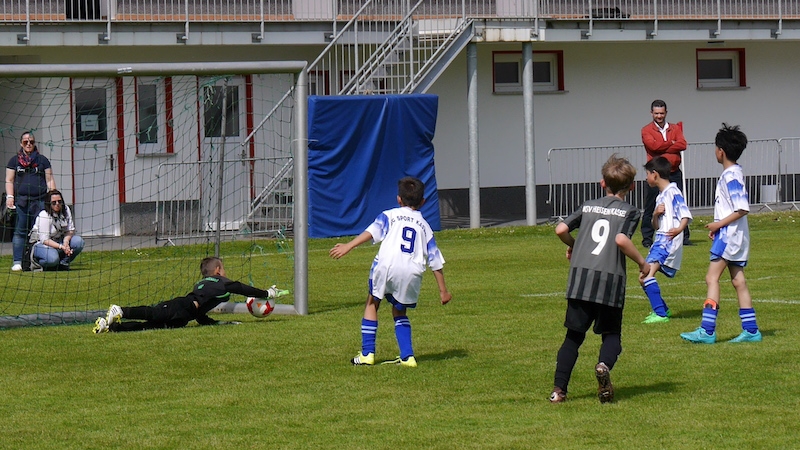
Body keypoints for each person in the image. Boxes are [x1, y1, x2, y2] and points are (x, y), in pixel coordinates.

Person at [550, 155, 650, 404]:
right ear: (632, 186)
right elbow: (621, 240)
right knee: (611, 334)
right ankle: (603, 365)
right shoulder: (630, 212)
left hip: (581, 279)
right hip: (609, 281)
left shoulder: (588, 206)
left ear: (602, 183)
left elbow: (561, 229)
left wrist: (575, 245)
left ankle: (558, 392)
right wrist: (642, 263)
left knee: (573, 338)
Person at [329, 176, 452, 368]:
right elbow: (435, 260)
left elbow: (372, 232)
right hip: (412, 270)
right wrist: (443, 291)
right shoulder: (425, 227)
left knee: (372, 302)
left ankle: (367, 354)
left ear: (398, 199)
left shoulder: (390, 215)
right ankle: (407, 357)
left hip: (387, 265)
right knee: (399, 310)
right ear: (423, 202)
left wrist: (348, 246)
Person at [681, 124, 761, 344]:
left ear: (721, 151)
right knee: (738, 280)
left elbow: (742, 208)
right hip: (735, 236)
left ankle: (707, 330)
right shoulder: (734, 173)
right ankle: (751, 330)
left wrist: (718, 225)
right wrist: (719, 226)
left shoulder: (730, 176)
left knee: (711, 277)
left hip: (729, 237)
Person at [92, 256, 288, 333]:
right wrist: (266, 293)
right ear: (218, 271)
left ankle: (112, 327)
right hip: (182, 306)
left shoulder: (203, 284)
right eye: (223, 269)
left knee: (152, 327)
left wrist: (222, 323)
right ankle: (121, 310)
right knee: (153, 314)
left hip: (185, 315)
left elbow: (201, 315)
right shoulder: (220, 282)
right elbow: (240, 288)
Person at [638, 157, 693, 323]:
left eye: (647, 174)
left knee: (647, 275)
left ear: (654, 174)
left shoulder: (673, 192)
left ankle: (660, 314)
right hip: (660, 239)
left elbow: (684, 214)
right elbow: (656, 226)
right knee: (642, 277)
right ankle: (663, 310)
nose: (646, 178)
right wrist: (655, 214)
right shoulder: (660, 196)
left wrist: (678, 229)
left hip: (667, 241)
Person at [641, 100, 689, 248]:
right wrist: (671, 143)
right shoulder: (646, 130)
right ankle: (647, 238)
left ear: (666, 113)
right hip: (656, 174)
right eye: (656, 113)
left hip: (674, 172)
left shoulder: (675, 128)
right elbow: (653, 146)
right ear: (651, 113)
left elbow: (683, 144)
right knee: (651, 205)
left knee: (678, 203)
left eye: (661, 113)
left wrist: (664, 146)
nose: (659, 116)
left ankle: (684, 236)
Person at [5, 131, 56, 271]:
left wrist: (53, 197)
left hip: (40, 201)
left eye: (31, 142)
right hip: (21, 202)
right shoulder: (14, 161)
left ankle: (37, 261)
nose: (28, 144)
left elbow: (50, 180)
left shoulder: (42, 160)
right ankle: (17, 261)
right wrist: (10, 197)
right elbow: (9, 180)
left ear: (34, 143)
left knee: (40, 232)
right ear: (21, 143)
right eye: (26, 142)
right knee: (20, 232)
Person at [28, 189, 84, 271]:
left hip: (59, 241)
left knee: (79, 242)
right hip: (41, 244)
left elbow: (70, 230)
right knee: (52, 259)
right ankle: (42, 264)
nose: (57, 204)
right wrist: (61, 247)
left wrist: (66, 242)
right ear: (49, 203)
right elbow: (44, 240)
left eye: (59, 202)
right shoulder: (44, 215)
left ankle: (63, 263)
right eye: (54, 202)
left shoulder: (66, 210)